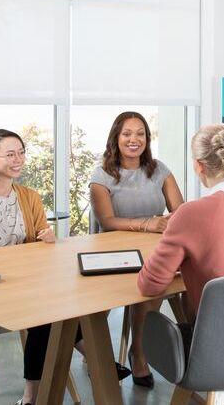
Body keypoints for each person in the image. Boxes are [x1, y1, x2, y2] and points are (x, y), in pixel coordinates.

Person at [0, 129, 130, 405]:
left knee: (57, 305)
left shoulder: (29, 196)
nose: (18, 159)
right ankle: (99, 364)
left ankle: (33, 397)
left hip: (23, 284)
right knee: (47, 310)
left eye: (21, 152)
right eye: (10, 154)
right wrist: (17, 258)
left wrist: (46, 240)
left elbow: (39, 246)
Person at [137, 123, 224, 321]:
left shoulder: (189, 214)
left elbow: (150, 286)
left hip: (214, 342)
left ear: (198, 165)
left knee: (158, 327)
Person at [89, 111, 184, 387]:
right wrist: (147, 224)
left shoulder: (159, 170)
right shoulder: (102, 175)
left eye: (140, 133)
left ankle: (139, 353)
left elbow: (180, 211)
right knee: (108, 304)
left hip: (152, 250)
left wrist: (165, 224)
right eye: (127, 134)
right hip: (110, 254)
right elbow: (107, 222)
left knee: (153, 287)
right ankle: (95, 353)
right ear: (115, 138)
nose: (134, 139)